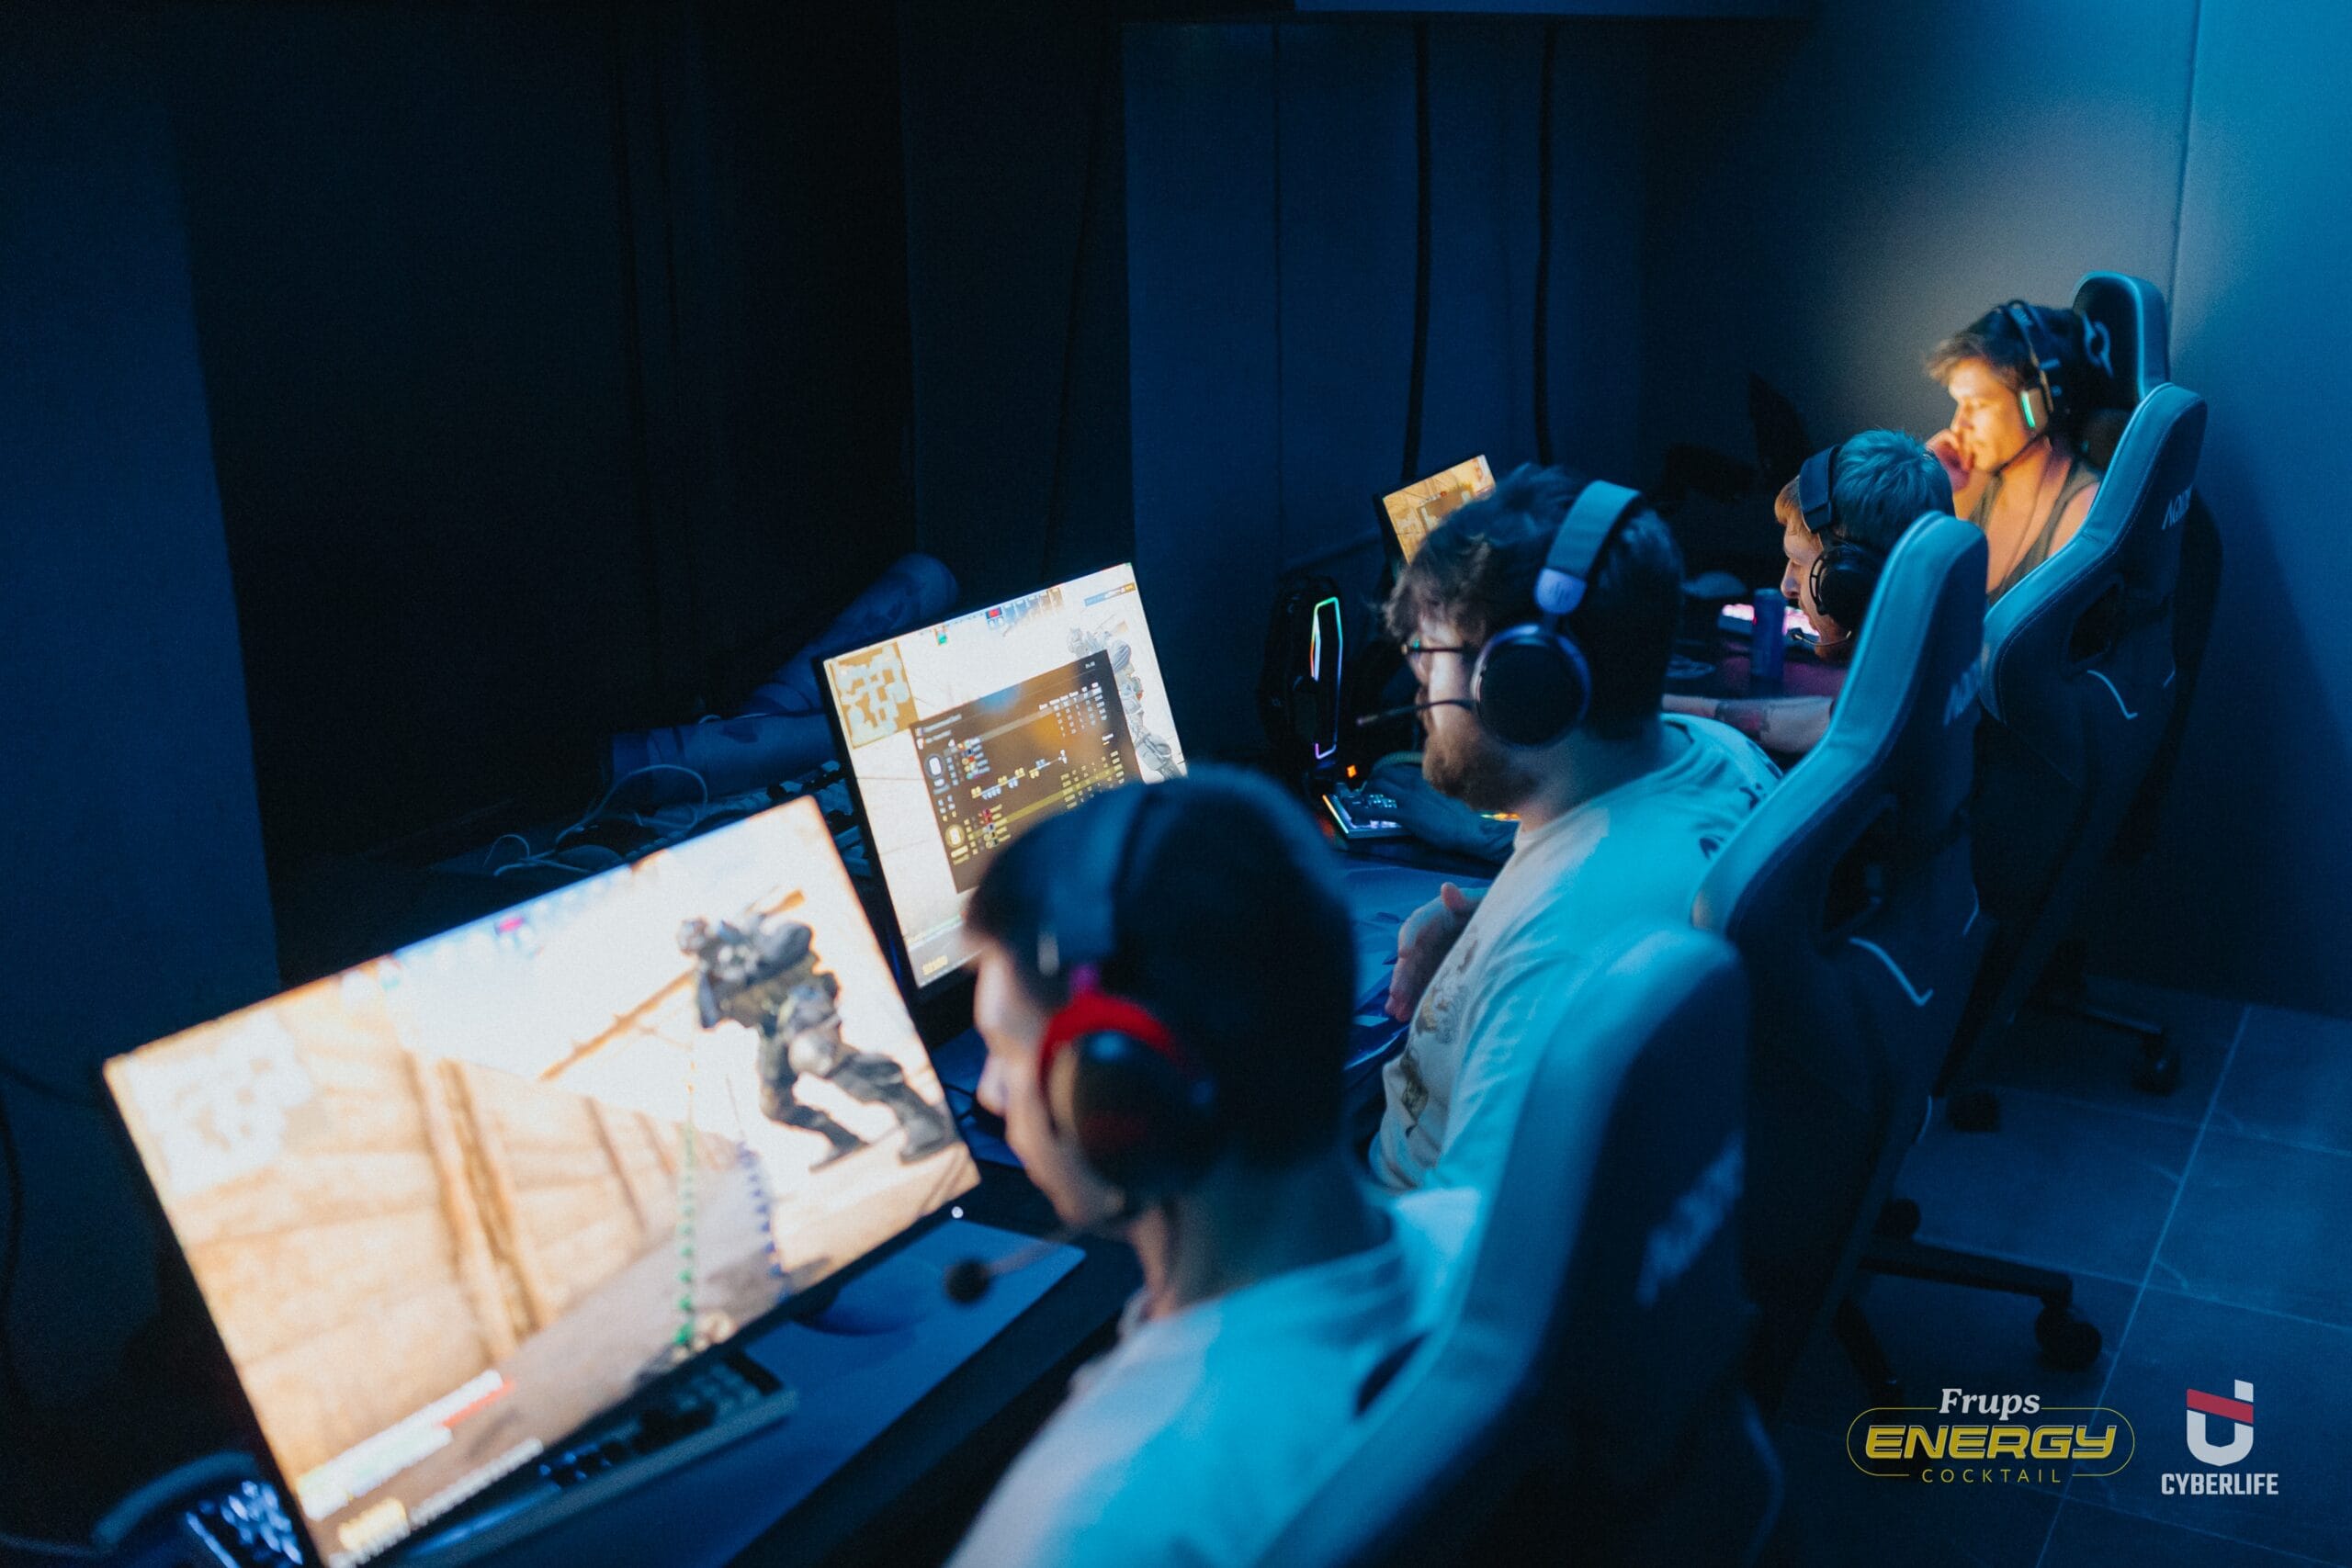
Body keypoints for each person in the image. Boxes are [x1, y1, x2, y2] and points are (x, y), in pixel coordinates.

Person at [949, 773, 1473, 1567]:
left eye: (1005, 1050)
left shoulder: (1091, 1524)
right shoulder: (1489, 1241)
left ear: (1119, 1092)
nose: (989, 1092)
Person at [1374, 466, 1781, 1193]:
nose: (1418, 686)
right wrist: (1480, 943)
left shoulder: (1559, 953)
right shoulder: (1720, 754)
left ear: (1523, 685)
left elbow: (1475, 1254)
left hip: (1400, 1232)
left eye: (1428, 654)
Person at [1663, 429, 1952, 756]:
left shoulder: (1894, 728)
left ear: (1848, 580)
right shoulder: (1923, 678)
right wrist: (1673, 706)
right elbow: (1831, 720)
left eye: (1799, 563)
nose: (1786, 586)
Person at [1926, 300, 2103, 601]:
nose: (1958, 425)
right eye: (1959, 404)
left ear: (2038, 408)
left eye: (1977, 405)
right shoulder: (1970, 480)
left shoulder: (2082, 514)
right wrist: (1928, 484)